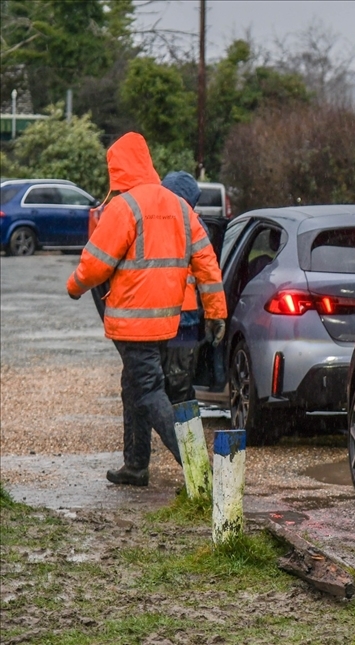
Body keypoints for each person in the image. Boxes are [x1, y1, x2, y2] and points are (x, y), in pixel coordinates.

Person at [67, 133, 228, 487]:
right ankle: (135, 464)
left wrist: (74, 286)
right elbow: (207, 266)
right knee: (134, 386)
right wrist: (217, 312)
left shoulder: (124, 208)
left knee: (150, 390)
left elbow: (95, 265)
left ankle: (199, 470)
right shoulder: (181, 208)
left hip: (132, 321)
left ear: (118, 168)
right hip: (167, 321)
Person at [160, 171, 206, 403]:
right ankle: (188, 440)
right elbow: (208, 274)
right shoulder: (197, 227)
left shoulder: (148, 224)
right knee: (181, 388)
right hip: (186, 318)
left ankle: (155, 438)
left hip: (153, 317)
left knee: (154, 385)